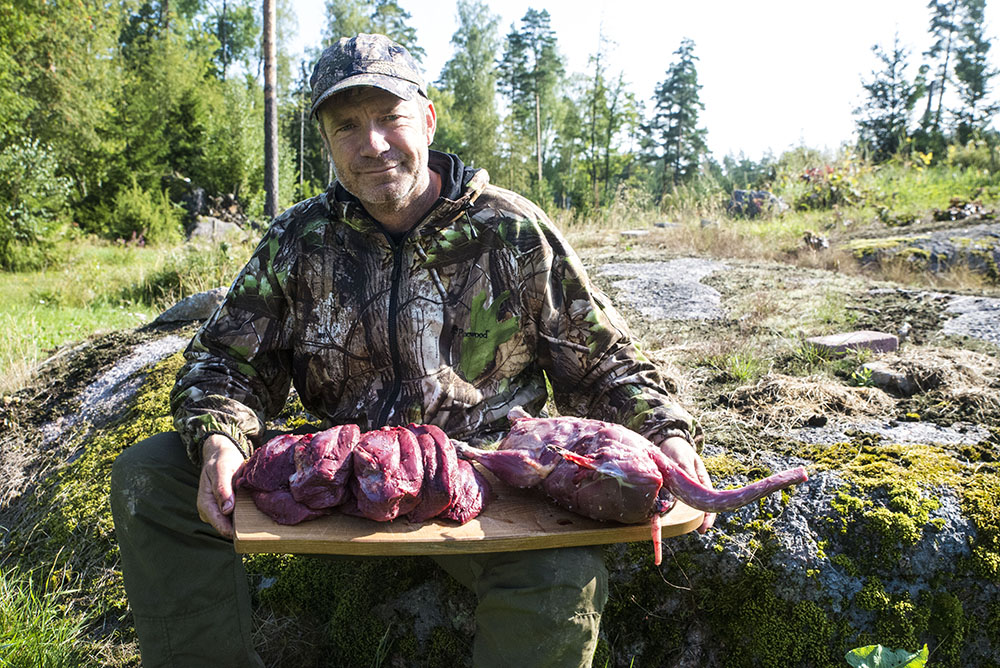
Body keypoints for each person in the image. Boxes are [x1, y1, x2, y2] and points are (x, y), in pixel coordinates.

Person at [110, 32, 714, 668]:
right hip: (343, 476)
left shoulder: (509, 231)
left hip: (489, 477)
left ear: (426, 119)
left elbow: (606, 365)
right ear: (326, 141)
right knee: (152, 476)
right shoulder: (298, 239)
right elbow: (225, 361)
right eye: (347, 125)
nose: (371, 144)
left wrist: (666, 434)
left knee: (559, 573)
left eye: (389, 117)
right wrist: (220, 439)